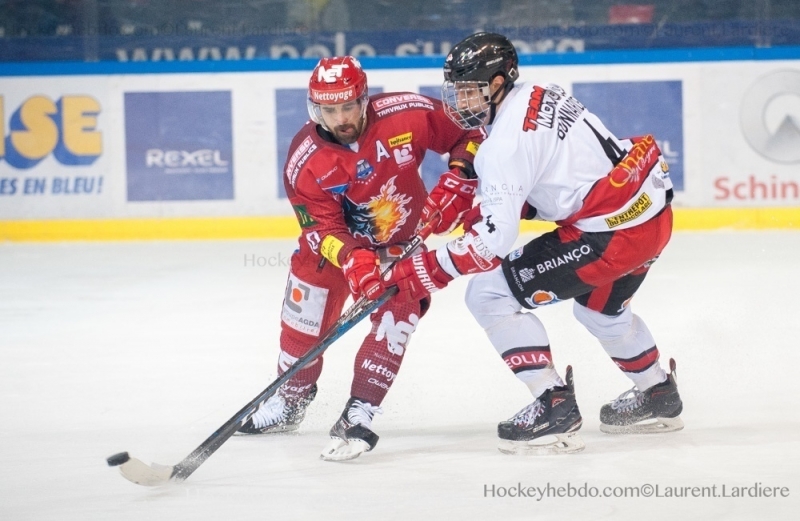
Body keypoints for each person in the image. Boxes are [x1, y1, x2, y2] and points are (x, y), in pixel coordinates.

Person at [384, 32, 684, 455]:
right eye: (456, 90)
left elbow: (493, 242)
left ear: (498, 83)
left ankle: (553, 404)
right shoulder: (540, 93)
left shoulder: (504, 146)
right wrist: (478, 198)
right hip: (651, 217)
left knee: (488, 294)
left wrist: (426, 269)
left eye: (469, 91)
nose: (459, 102)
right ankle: (658, 395)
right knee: (601, 313)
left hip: (611, 237)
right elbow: (557, 176)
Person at [236, 56, 485, 462]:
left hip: (400, 246)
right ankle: (292, 398)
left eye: (349, 106)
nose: (341, 117)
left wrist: (460, 173)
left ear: (364, 98)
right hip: (332, 255)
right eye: (330, 110)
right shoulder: (304, 160)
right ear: (315, 108)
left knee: (395, 322)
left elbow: (469, 132)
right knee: (301, 332)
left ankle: (360, 410)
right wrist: (352, 260)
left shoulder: (409, 113)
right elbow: (319, 231)